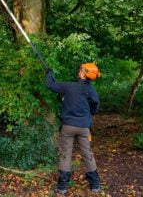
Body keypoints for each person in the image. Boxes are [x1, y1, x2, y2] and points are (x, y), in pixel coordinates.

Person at [45, 63, 101, 194]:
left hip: (68, 127)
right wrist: (89, 114)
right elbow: (95, 106)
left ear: (83, 74)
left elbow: (51, 85)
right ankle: (95, 185)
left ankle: (62, 187)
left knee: (66, 155)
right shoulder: (91, 91)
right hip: (84, 128)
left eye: (81, 70)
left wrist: (48, 74)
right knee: (88, 155)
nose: (79, 71)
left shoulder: (69, 87)